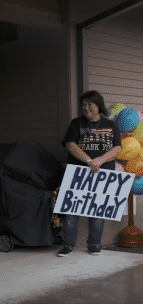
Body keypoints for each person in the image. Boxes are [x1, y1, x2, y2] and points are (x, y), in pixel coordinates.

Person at [58, 90, 122, 257]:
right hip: (78, 173)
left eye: (89, 104)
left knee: (97, 212)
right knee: (71, 212)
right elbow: (70, 144)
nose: (85, 108)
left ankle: (94, 244)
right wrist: (89, 161)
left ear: (98, 105)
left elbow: (117, 148)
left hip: (103, 173)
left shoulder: (110, 125)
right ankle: (68, 245)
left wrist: (100, 160)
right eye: (83, 105)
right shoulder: (76, 123)